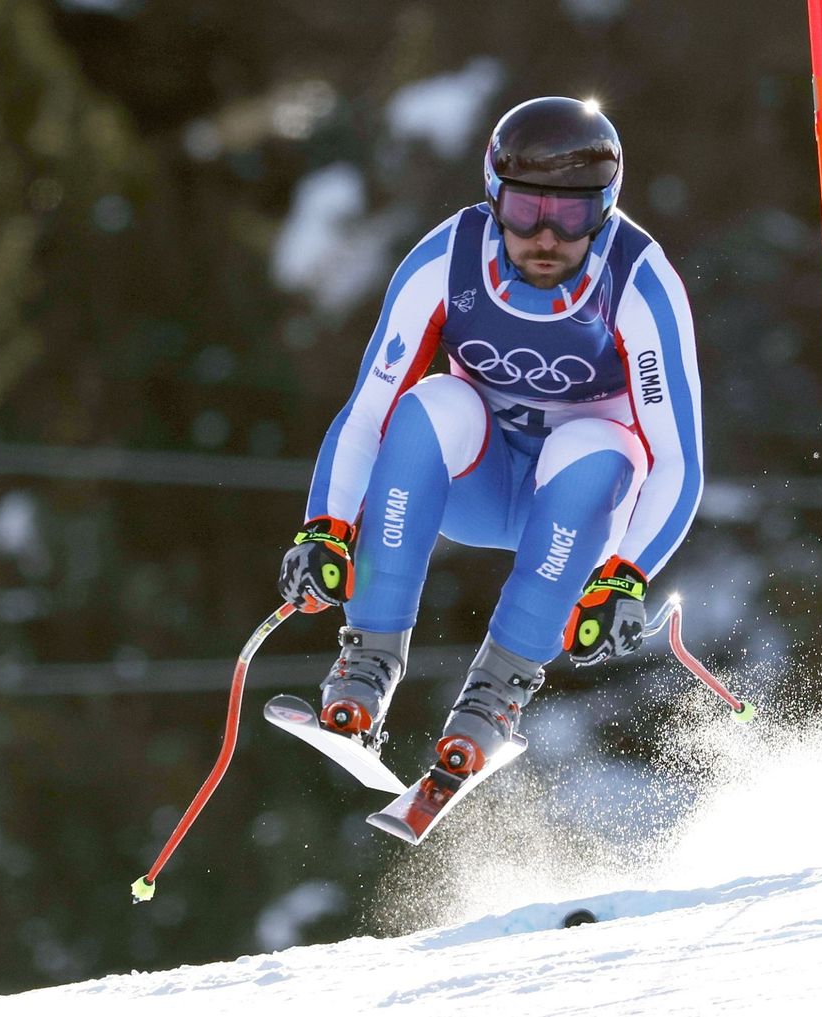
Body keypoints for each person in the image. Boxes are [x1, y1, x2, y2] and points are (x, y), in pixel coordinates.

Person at [276, 96, 703, 782]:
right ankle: (365, 669)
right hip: (475, 481)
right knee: (430, 402)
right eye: (525, 208)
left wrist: (627, 574)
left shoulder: (640, 282)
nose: (545, 237)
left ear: (606, 210)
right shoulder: (446, 260)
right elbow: (366, 412)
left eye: (570, 216)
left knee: (598, 442)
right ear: (492, 195)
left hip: (576, 510)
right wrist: (323, 529)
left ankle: (494, 698)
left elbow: (678, 459)